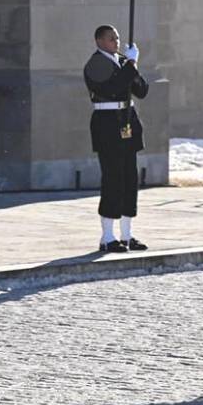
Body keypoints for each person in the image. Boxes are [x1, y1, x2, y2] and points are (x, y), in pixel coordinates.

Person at [83, 25, 149, 253]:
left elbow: (141, 90)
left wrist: (134, 66)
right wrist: (130, 66)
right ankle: (108, 236)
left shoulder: (122, 62)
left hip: (127, 121)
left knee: (130, 178)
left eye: (118, 38)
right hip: (107, 124)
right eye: (111, 39)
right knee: (113, 177)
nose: (116, 42)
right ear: (99, 41)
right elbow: (113, 88)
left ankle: (127, 234)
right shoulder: (96, 64)